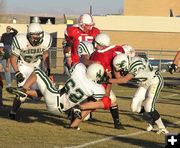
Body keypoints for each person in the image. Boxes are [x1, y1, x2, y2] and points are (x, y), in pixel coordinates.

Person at [6, 63, 112, 129]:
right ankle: (74, 124)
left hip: (55, 97)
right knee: (89, 104)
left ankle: (23, 89)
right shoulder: (98, 89)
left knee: (37, 72)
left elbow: (77, 66)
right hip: (62, 108)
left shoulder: (79, 69)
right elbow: (98, 101)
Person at [100, 53, 169, 134]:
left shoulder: (136, 64)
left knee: (148, 107)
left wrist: (107, 80)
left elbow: (124, 80)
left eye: (121, 69)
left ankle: (162, 127)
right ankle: (151, 120)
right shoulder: (127, 63)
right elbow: (119, 77)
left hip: (155, 81)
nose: (120, 71)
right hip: (144, 83)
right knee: (134, 107)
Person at [8, 22, 52, 120]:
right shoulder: (20, 40)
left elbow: (45, 55)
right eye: (34, 35)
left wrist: (48, 69)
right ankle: (13, 111)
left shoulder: (46, 39)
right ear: (28, 34)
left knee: (41, 93)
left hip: (36, 67)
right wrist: (17, 72)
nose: (37, 37)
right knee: (22, 97)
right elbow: (13, 58)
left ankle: (21, 91)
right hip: (23, 65)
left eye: (39, 35)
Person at [89, 33, 126, 129]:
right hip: (98, 84)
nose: (94, 44)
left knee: (112, 101)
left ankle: (117, 123)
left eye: (96, 43)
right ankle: (76, 113)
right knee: (91, 104)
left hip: (102, 82)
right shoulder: (113, 51)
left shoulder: (96, 55)